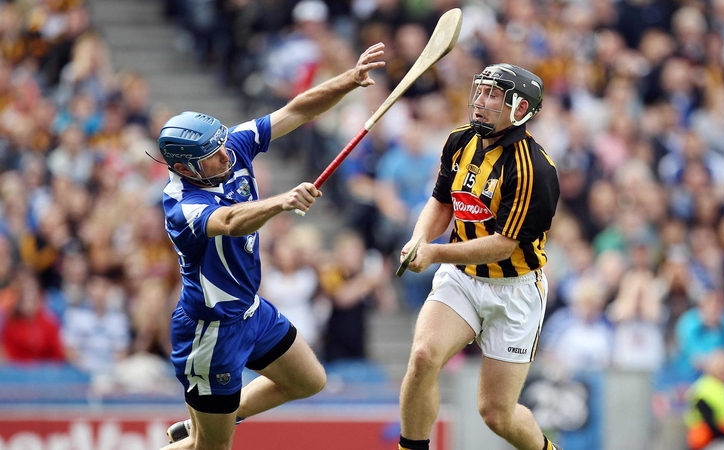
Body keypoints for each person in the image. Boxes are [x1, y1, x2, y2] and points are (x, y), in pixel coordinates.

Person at [156, 42, 385, 450]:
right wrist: (281, 202)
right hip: (211, 329)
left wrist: (348, 80)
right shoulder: (181, 204)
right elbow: (227, 221)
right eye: (212, 155)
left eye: (223, 144)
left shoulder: (234, 145)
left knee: (309, 380)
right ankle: (206, 433)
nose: (225, 154)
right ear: (182, 168)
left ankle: (216, 421)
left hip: (251, 311)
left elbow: (296, 110)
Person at [397, 64, 562, 450]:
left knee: (497, 415)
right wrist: (419, 237)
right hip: (463, 278)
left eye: (494, 96)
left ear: (520, 109)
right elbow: (441, 203)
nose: (481, 102)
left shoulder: (533, 169)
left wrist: (434, 252)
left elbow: (503, 245)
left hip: (514, 291)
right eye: (482, 91)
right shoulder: (459, 141)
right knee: (423, 357)